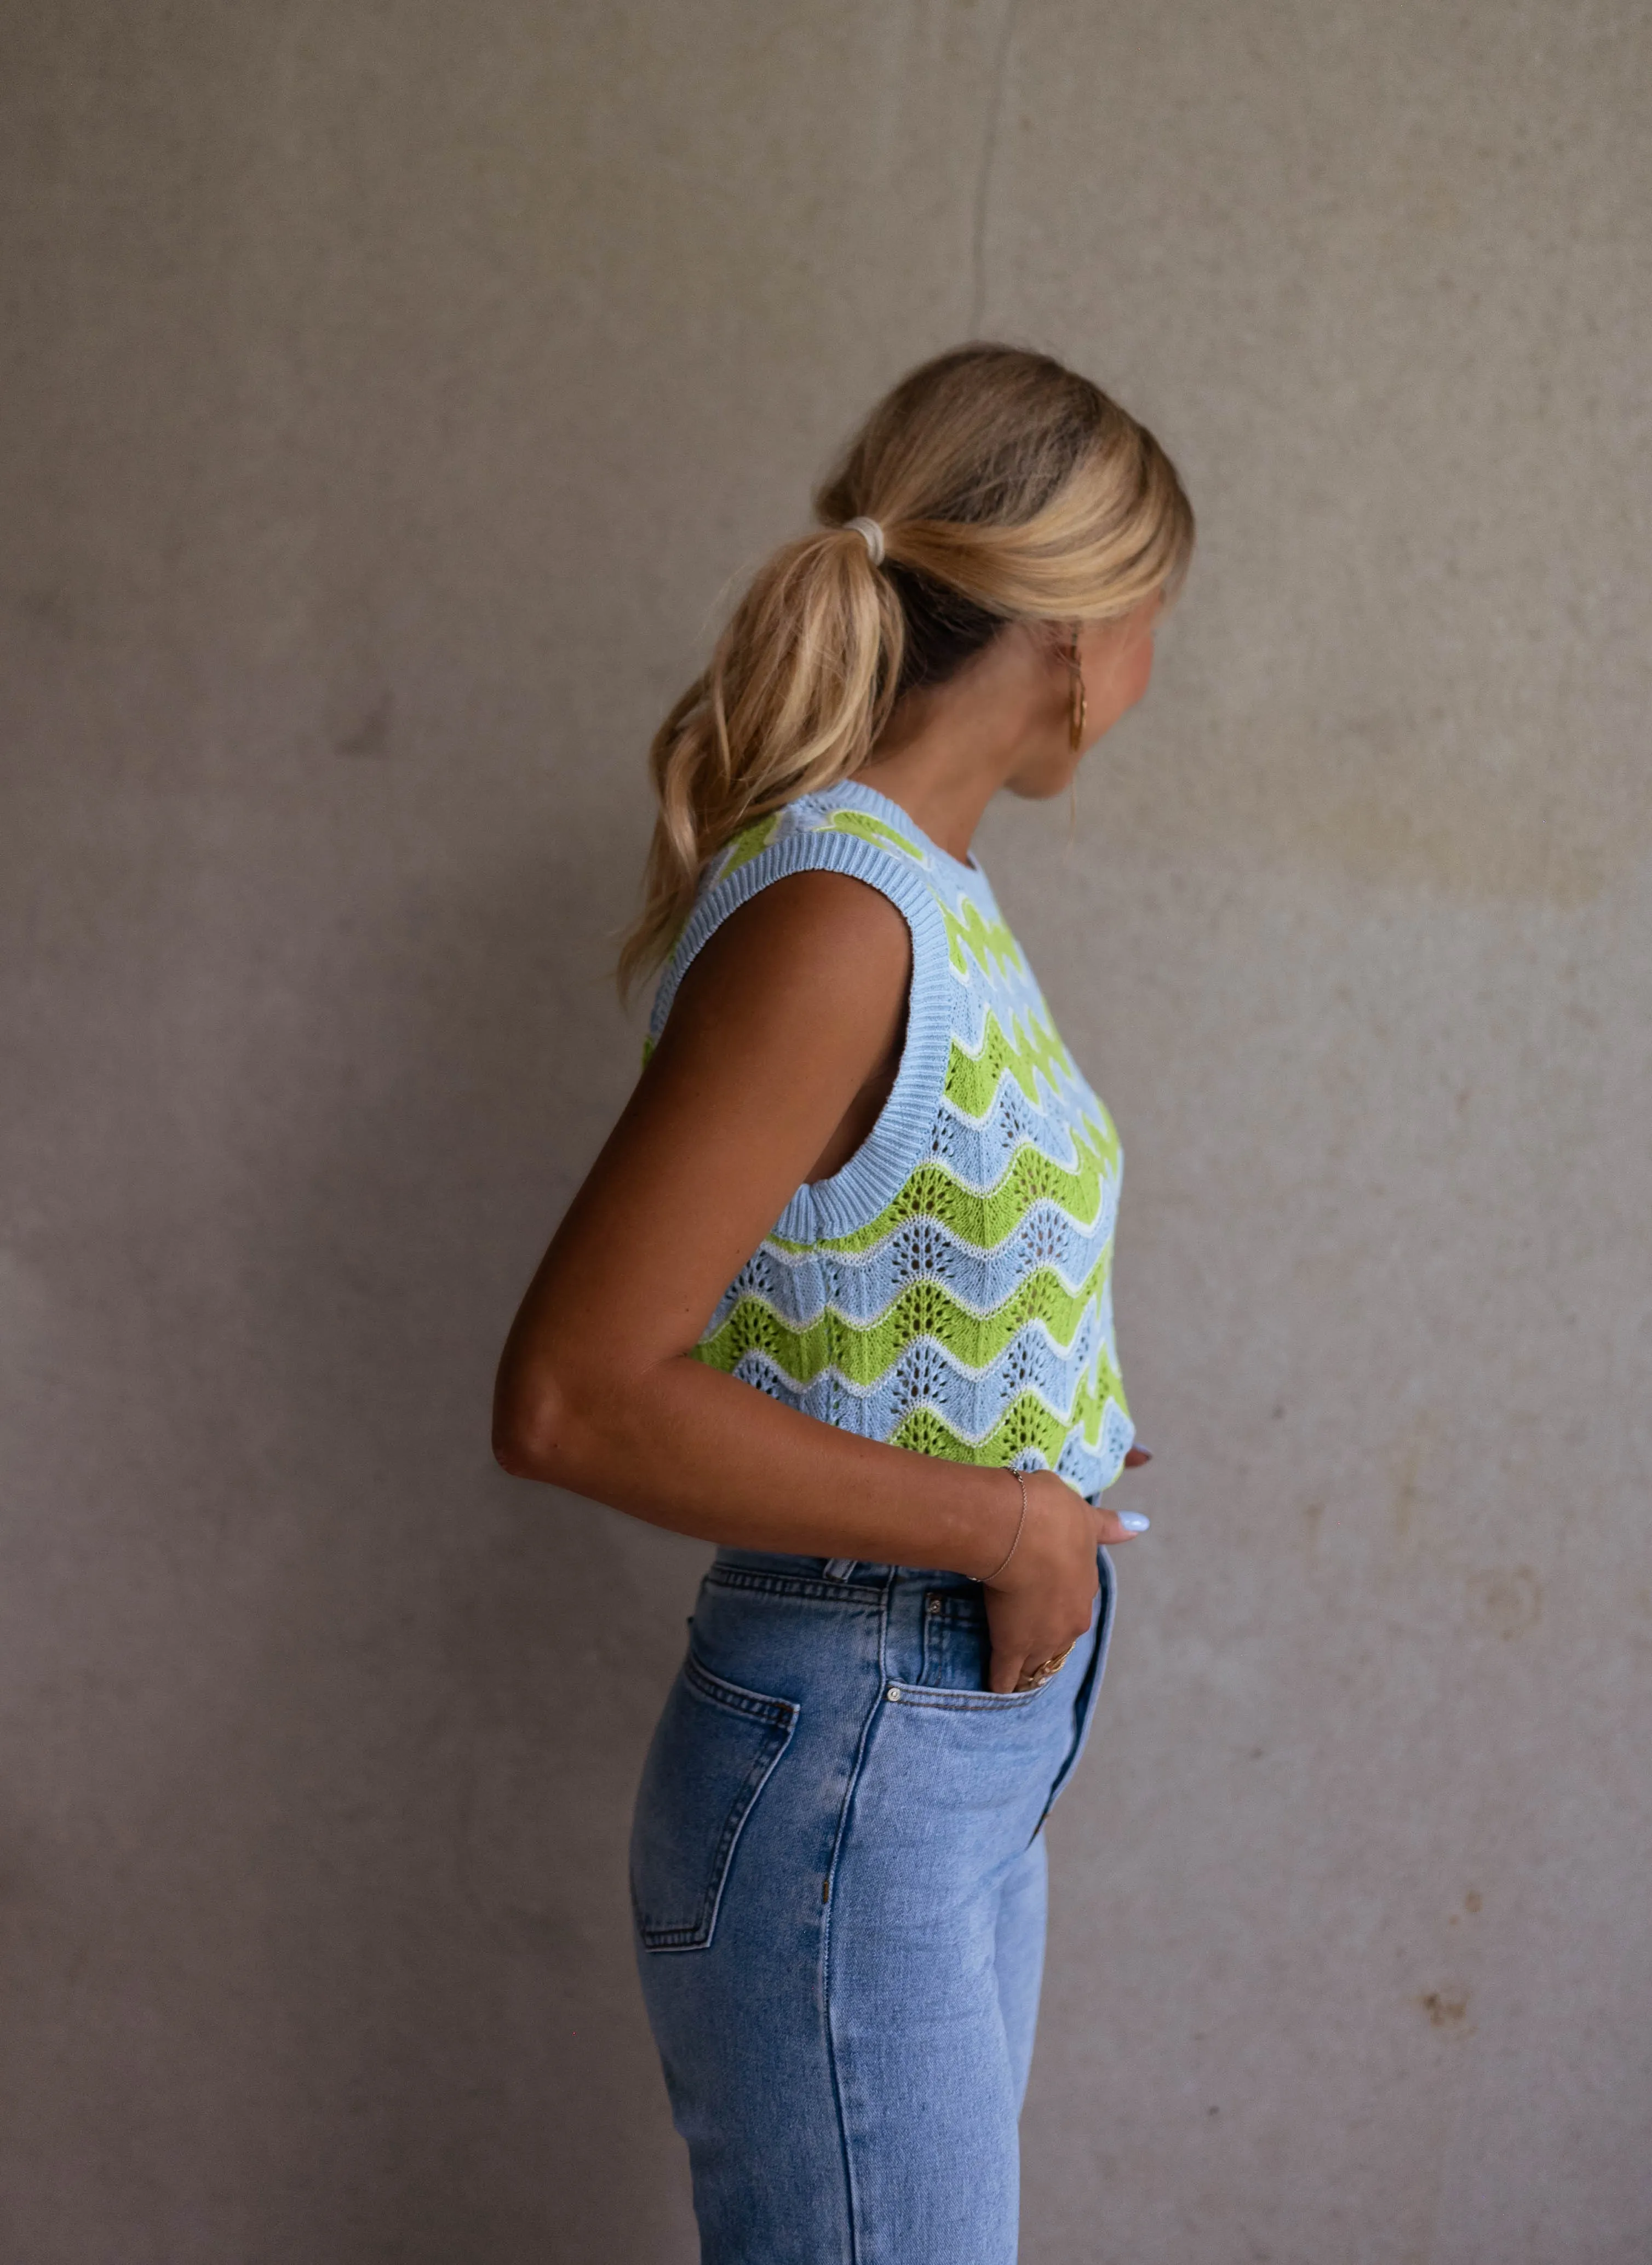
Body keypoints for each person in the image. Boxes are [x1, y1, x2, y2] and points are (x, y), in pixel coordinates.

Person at [492, 342, 1194, 2263]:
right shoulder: (838, 912)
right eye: (1157, 623)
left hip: (940, 1741)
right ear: (1078, 630)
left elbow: (848, 1269)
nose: (1151, 676)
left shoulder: (922, 896)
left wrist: (1031, 1411)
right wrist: (1010, 1515)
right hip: (863, 1739)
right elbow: (574, 1391)